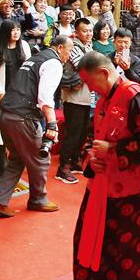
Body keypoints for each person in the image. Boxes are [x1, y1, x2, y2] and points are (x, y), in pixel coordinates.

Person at [51, 51, 140, 280]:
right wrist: (93, 157)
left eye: (90, 83)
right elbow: (95, 137)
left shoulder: (135, 97)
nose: (90, 89)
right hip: (100, 184)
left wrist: (114, 150)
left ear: (103, 73)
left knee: (125, 248)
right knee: (87, 239)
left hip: (130, 190)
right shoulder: (104, 99)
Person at [0, 35, 74, 217]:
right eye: (69, 50)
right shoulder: (53, 63)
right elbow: (45, 97)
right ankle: (38, 199)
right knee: (40, 158)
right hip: (22, 117)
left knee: (17, 158)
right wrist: (52, 123)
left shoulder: (35, 58)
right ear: (59, 48)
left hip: (5, 113)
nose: (69, 55)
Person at [0, 19, 31, 173]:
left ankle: (16, 161)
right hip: (2, 94)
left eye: (18, 29)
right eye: (12, 30)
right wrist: (1, 92)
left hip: (20, 94)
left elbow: (29, 70)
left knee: (18, 128)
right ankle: (0, 163)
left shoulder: (24, 46)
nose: (16, 33)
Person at [56, 18, 94, 184]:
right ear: (76, 32)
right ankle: (63, 168)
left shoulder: (88, 46)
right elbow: (83, 66)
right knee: (73, 132)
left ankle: (73, 161)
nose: (88, 33)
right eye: (84, 31)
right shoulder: (73, 47)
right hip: (74, 96)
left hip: (85, 96)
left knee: (82, 131)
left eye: (90, 30)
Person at [0, 0, 34, 91]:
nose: (8, 7)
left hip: (15, 53)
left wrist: (27, 10)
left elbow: (30, 25)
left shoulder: (16, 19)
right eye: (5, 4)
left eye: (10, 5)